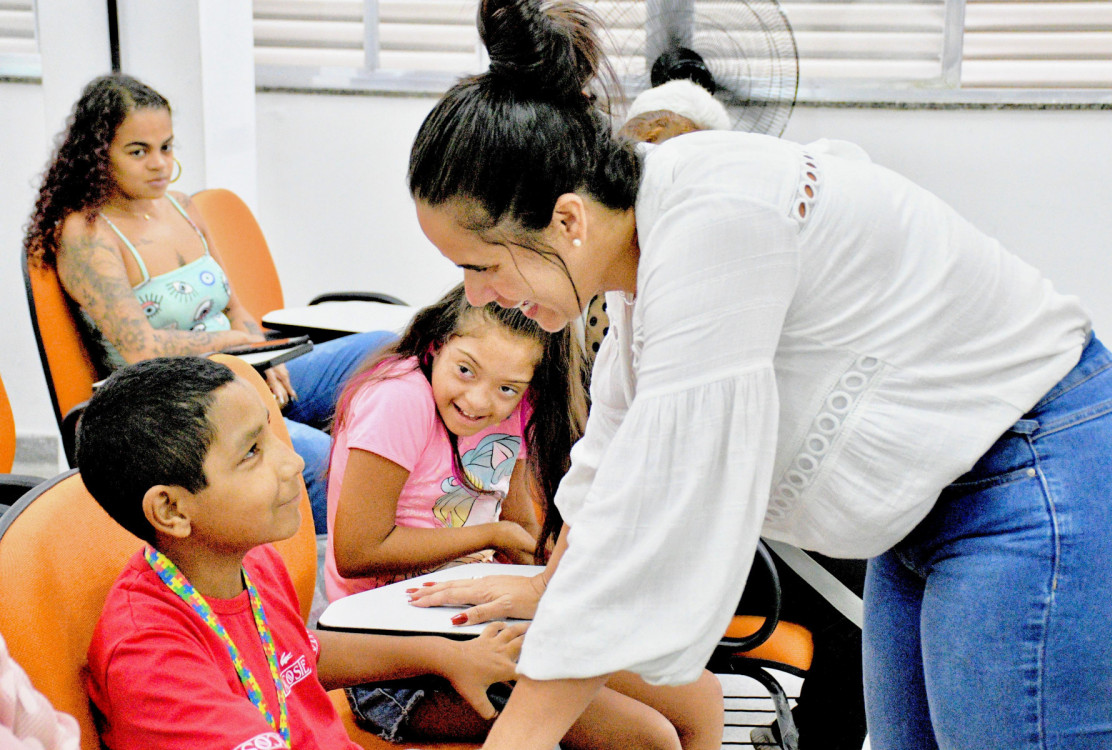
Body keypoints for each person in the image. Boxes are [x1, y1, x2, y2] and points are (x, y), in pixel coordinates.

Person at [403, 1, 1112, 749]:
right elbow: (616, 461)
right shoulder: (656, 246)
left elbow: (670, 505)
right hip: (943, 514)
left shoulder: (715, 221)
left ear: (567, 220)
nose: (478, 298)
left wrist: (519, 732)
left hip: (1052, 488)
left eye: (480, 265)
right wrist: (553, 589)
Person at [325, 283, 724, 747]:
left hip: (483, 621)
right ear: (437, 346)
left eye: (507, 388)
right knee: (645, 736)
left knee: (701, 697)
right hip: (396, 663)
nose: (479, 401)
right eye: (466, 371)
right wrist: (489, 534)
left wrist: (559, 562)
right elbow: (356, 551)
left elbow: (519, 532)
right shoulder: (399, 398)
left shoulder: (512, 405)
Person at [76, 356, 530, 750]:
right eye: (252, 452)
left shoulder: (248, 561)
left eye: (272, 435)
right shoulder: (152, 663)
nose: (292, 462)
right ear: (171, 509)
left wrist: (443, 655)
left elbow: (295, 656)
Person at [23, 72, 391, 534]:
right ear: (98, 156)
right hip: (173, 401)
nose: (159, 163)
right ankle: (362, 552)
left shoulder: (181, 206)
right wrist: (237, 346)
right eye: (138, 151)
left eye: (167, 147)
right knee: (317, 460)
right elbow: (140, 349)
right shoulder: (86, 233)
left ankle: (422, 503)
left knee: (387, 351)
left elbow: (235, 306)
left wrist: (260, 353)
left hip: (237, 368)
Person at [617, 79, 868, 750]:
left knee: (856, 590)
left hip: (735, 524)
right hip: (663, 533)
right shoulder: (609, 285)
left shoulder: (744, 253)